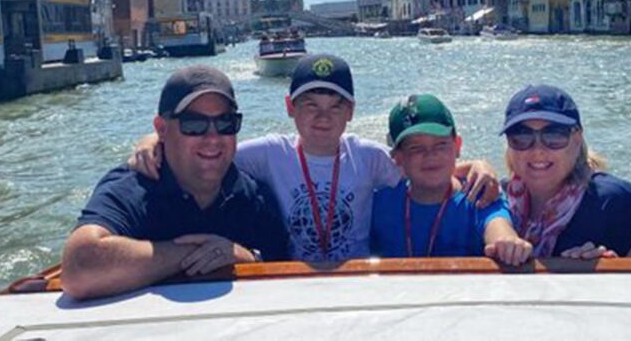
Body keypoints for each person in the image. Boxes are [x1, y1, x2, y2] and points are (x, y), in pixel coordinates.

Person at [129, 54, 499, 262]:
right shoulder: (267, 154)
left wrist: (477, 165)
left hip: (358, 277)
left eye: (334, 106)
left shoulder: (369, 158)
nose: (323, 117)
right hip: (293, 277)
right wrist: (156, 139)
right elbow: (210, 153)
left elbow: (423, 168)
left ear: (351, 111)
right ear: (290, 108)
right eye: (310, 105)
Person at [61, 66, 288, 300]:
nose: (212, 138)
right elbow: (79, 267)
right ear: (162, 129)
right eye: (194, 124)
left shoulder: (252, 194)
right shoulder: (132, 189)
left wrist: (245, 258)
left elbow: (286, 269)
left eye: (225, 123)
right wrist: (192, 254)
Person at [500, 84, 631, 259]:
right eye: (522, 136)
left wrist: (610, 273)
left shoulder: (622, 205)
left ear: (577, 139)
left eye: (554, 135)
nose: (538, 150)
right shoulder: (496, 202)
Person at [371, 94, 532, 265]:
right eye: (416, 148)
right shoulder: (378, 202)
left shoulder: (480, 195)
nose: (430, 154)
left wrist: (507, 243)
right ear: (398, 157)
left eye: (441, 145)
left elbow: (498, 226)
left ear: (457, 146)